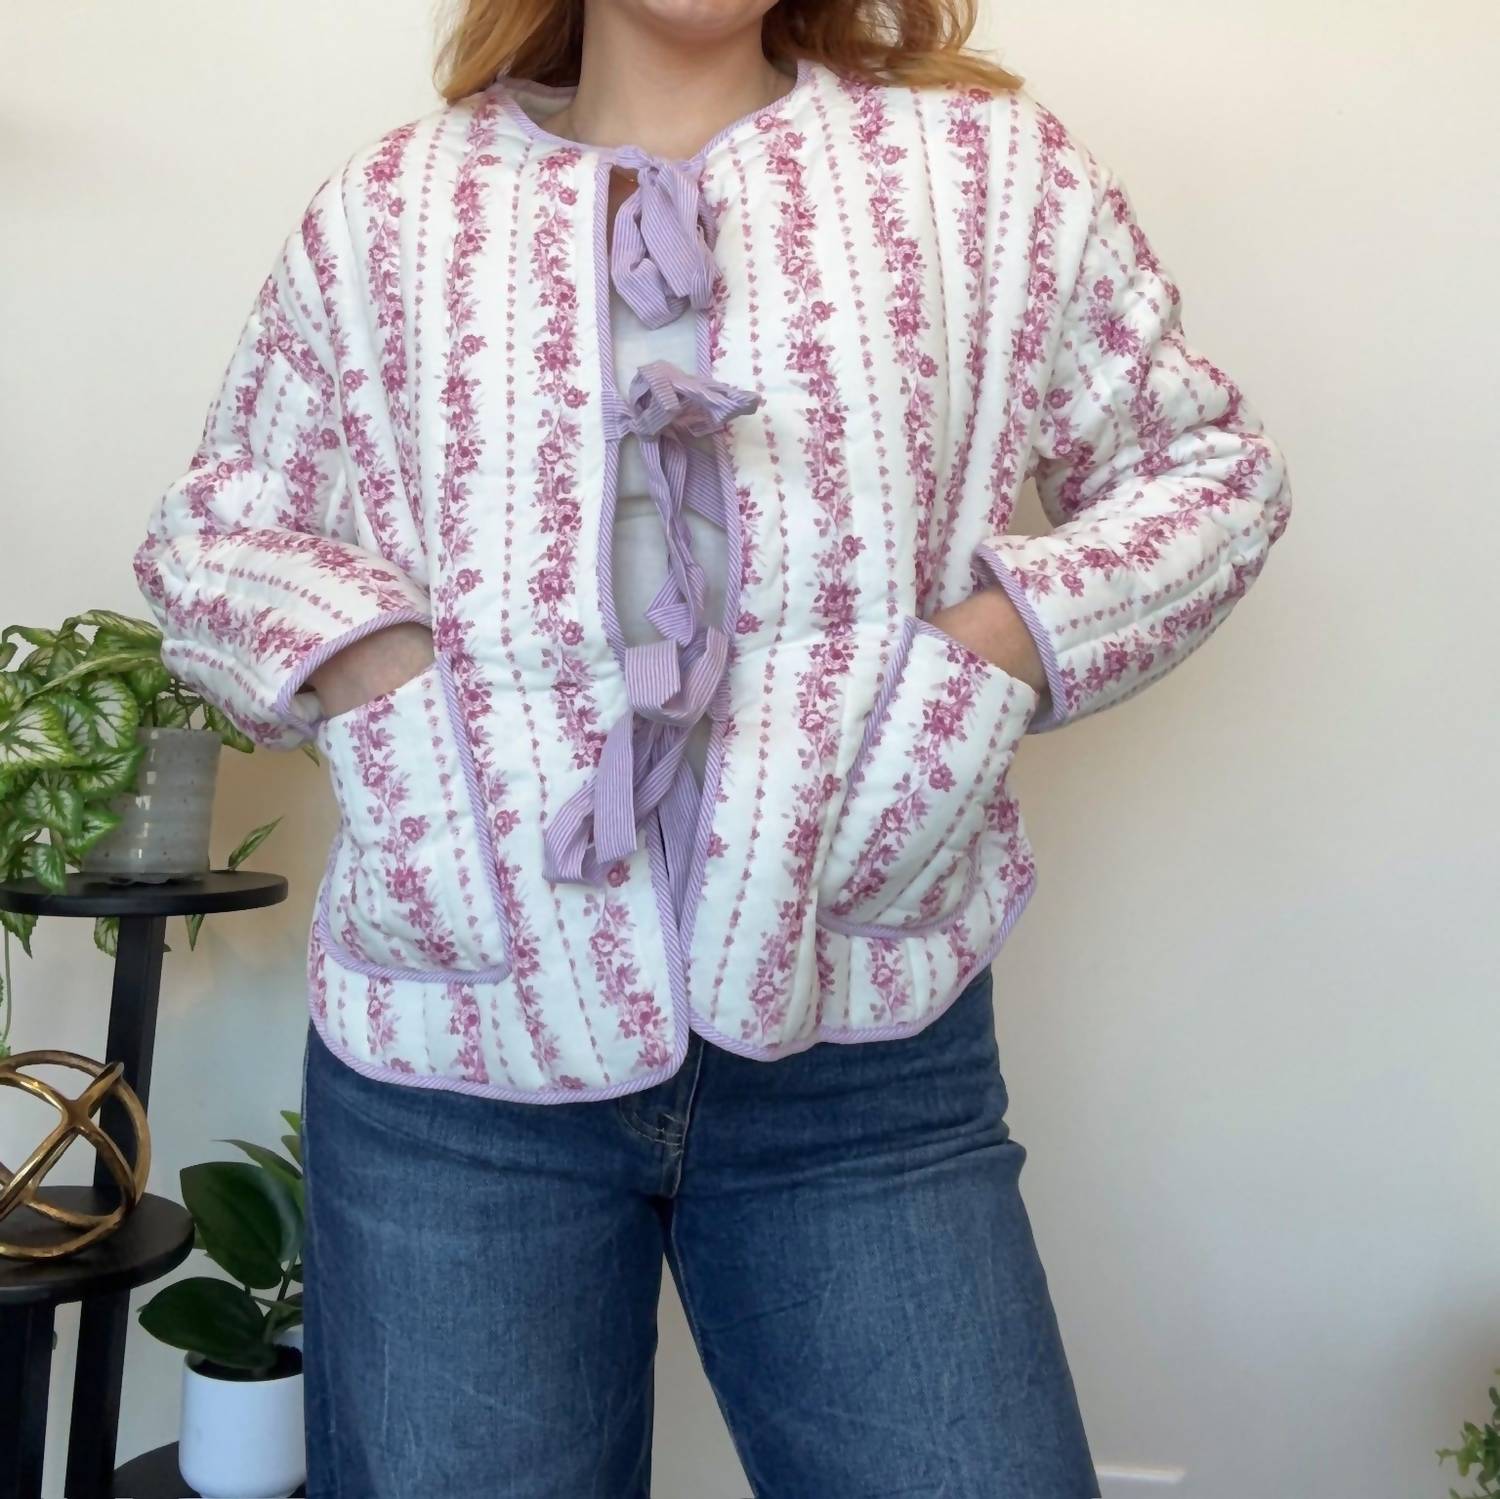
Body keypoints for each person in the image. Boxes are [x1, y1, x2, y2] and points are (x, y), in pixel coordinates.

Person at [134, 0, 1292, 1493]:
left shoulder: (991, 174)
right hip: (457, 1055)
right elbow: (214, 536)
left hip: (862, 1045)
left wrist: (984, 655)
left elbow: (1210, 471)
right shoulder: (389, 209)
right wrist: (381, 678)